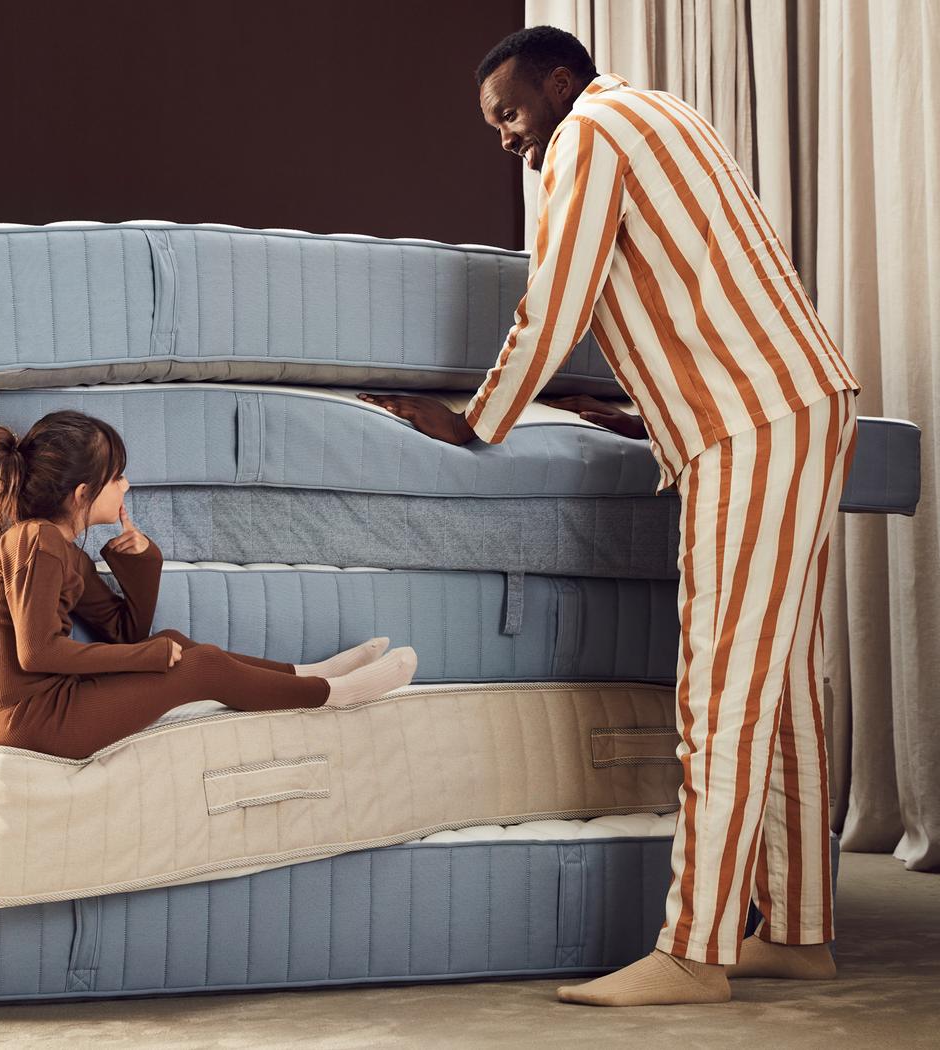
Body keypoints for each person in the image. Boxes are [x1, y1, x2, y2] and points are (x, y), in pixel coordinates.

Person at [359, 26, 858, 1006]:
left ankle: (692, 952)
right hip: (791, 400)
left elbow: (558, 301)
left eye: (507, 114)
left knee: (720, 689)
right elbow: (703, 284)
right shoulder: (663, 115)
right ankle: (797, 933)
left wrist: (473, 422)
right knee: (785, 683)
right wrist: (643, 408)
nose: (503, 139)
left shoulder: (588, 131)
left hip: (748, 423)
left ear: (557, 83)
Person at [0, 409, 417, 760]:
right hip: (27, 719)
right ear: (83, 494)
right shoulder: (35, 539)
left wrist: (139, 562)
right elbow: (37, 652)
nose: (126, 486)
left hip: (39, 709)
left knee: (173, 642)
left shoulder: (63, 550)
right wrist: (148, 655)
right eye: (116, 477)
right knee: (200, 669)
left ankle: (311, 673)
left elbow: (126, 634)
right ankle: (335, 695)